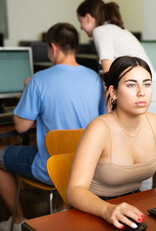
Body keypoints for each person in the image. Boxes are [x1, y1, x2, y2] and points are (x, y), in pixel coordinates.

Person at [0, 23, 106, 231]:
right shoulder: (96, 79)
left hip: (51, 168)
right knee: (67, 148)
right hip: (89, 168)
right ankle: (62, 207)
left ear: (53, 47)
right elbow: (104, 124)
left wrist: (26, 90)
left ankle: (17, 221)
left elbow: (21, 127)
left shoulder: (38, 81)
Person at [66, 56, 156, 230]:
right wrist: (107, 209)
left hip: (134, 205)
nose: (141, 92)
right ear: (113, 92)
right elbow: (74, 190)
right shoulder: (99, 129)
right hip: (96, 209)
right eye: (131, 85)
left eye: (147, 84)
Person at [76, 0, 156, 121]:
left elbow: (108, 77)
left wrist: (109, 114)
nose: (81, 27)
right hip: (154, 93)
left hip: (145, 96)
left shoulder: (100, 31)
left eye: (80, 22)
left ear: (88, 17)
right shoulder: (117, 30)